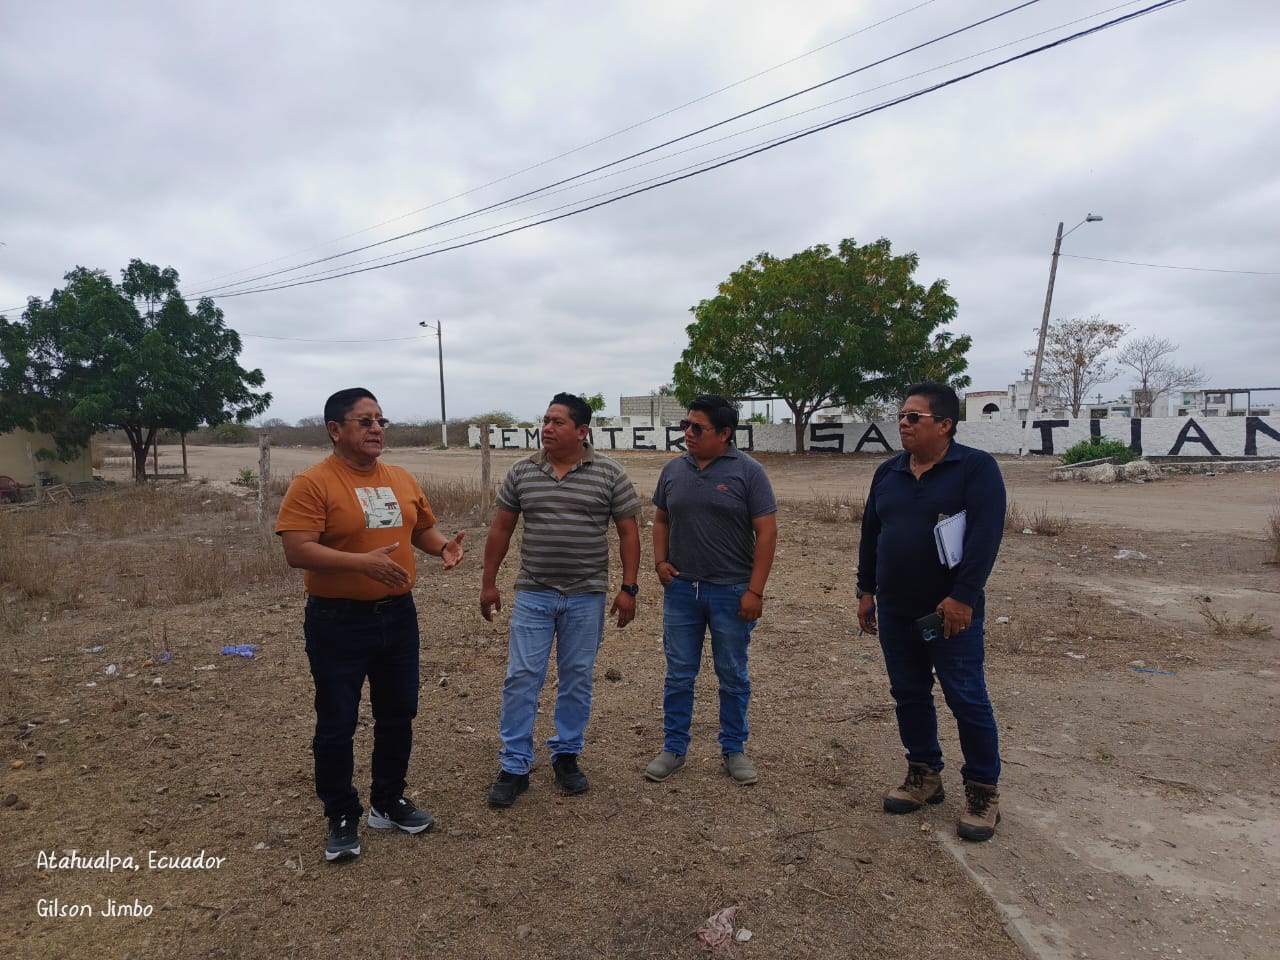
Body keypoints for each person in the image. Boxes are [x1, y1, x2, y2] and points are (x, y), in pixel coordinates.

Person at [277, 387, 465, 862]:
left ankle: (388, 801)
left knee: (398, 713)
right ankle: (341, 814)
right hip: (337, 620)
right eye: (365, 421)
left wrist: (442, 546)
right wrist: (361, 564)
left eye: (381, 420)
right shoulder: (313, 483)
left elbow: (420, 528)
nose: (377, 428)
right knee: (337, 721)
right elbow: (297, 549)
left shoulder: (400, 478)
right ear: (335, 430)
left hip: (398, 616)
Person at [856, 382, 1006, 841]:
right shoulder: (888, 472)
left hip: (950, 613)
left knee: (966, 699)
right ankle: (924, 774)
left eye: (913, 417)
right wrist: (866, 590)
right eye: (901, 415)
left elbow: (984, 538)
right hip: (897, 610)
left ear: (944, 424)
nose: (903, 423)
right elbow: (871, 534)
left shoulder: (975, 469)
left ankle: (982, 790)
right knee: (909, 694)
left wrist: (963, 597)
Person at [480, 392, 641, 807]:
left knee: (576, 677)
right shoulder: (523, 471)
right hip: (534, 593)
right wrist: (489, 582)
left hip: (586, 596)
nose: (547, 428)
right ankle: (515, 765)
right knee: (521, 677)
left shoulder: (609, 474)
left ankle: (566, 755)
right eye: (546, 420)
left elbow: (628, 532)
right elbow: (501, 528)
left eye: (557, 422)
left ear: (582, 431)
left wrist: (629, 588)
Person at [645, 394, 777, 786]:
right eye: (685, 425)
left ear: (724, 433)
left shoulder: (748, 472)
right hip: (682, 591)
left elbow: (767, 533)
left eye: (697, 428)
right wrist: (660, 562)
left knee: (732, 674)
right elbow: (661, 519)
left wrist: (755, 591)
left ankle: (734, 749)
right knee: (678, 674)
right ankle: (674, 748)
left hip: (731, 592)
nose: (687, 433)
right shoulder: (674, 470)